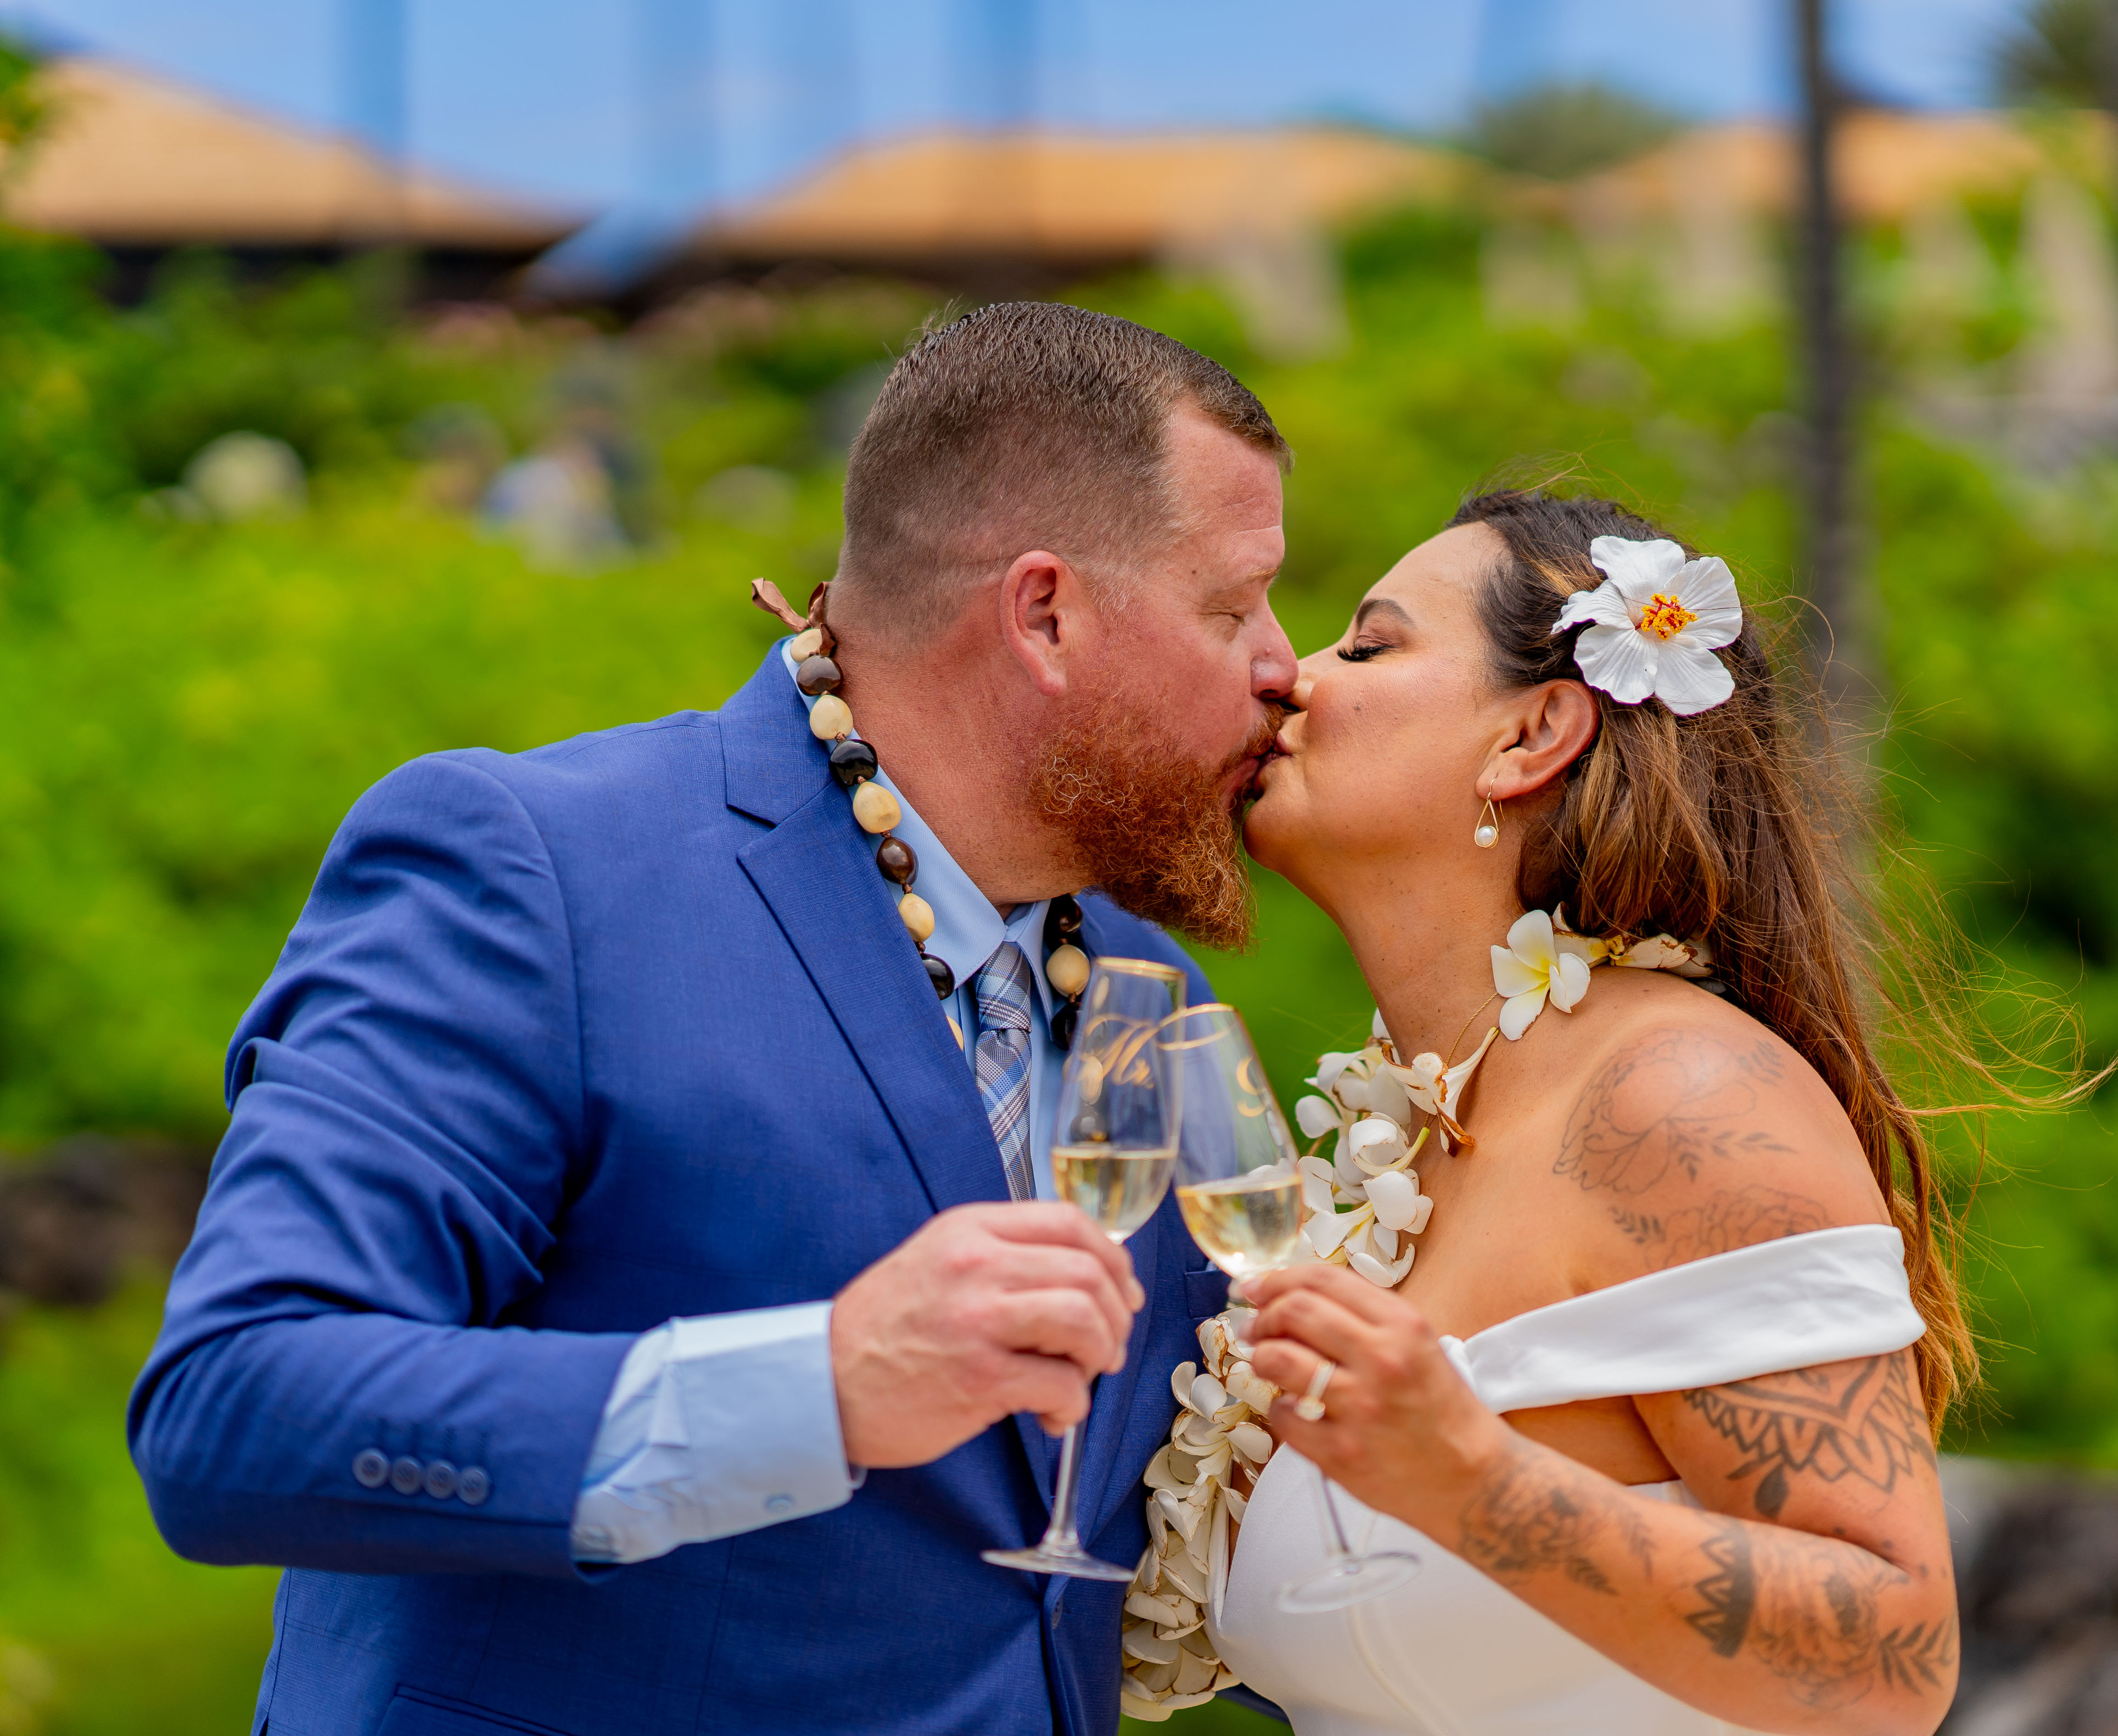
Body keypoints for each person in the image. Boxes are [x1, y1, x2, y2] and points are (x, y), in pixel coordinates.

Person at [127, 303, 1298, 1736]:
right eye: (1233, 607)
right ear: (1043, 612)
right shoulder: (537, 874)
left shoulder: (1145, 992)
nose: (1280, 668)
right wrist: (817, 1388)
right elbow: (235, 1411)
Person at [1125, 488, 1969, 1735]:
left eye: (1367, 646)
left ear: (1534, 735)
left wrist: (1473, 1482)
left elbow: (1890, 1657)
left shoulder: (1678, 1100)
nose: (1291, 676)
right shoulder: (1409, 1141)